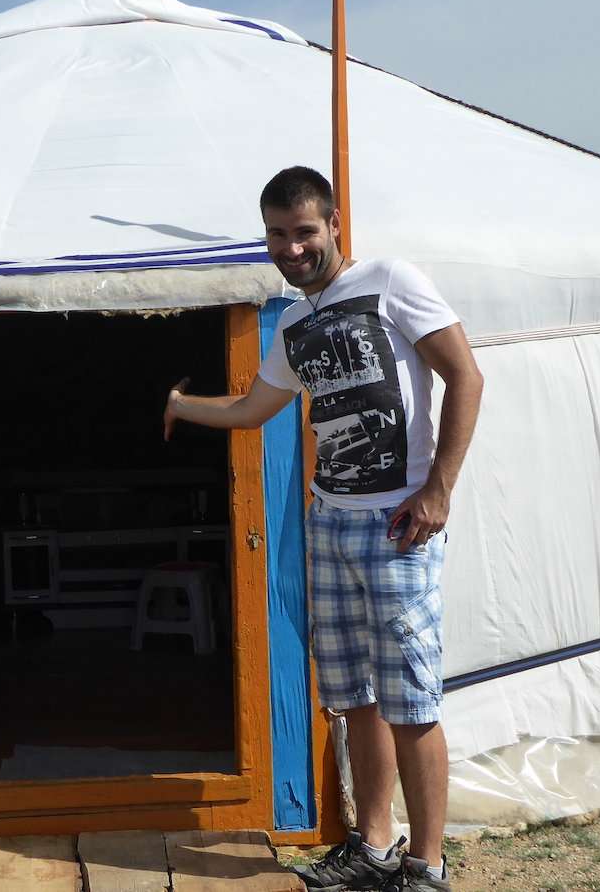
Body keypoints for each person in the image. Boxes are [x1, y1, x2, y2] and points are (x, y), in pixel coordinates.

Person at [162, 166, 483, 891]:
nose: (292, 247)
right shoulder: (298, 322)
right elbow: (252, 408)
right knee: (353, 695)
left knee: (410, 698)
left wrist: (439, 489)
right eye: (277, 234)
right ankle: (372, 846)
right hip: (329, 521)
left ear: (335, 224)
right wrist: (183, 407)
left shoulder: (390, 280)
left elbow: (466, 375)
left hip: (399, 522)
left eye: (305, 231)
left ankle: (427, 866)